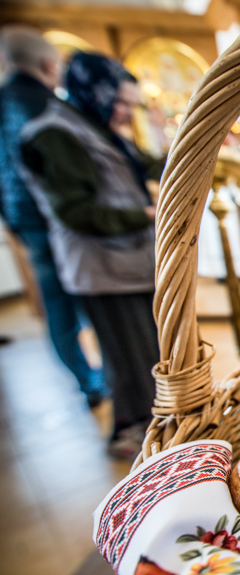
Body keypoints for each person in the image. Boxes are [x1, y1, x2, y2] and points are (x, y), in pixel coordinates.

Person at [19, 52, 163, 459]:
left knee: (149, 356)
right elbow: (74, 211)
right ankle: (131, 435)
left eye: (130, 107)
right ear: (95, 93)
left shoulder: (96, 127)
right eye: (121, 104)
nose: (124, 114)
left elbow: (148, 165)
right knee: (128, 359)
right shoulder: (56, 133)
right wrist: (145, 215)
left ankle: (156, 431)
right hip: (102, 269)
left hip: (130, 263)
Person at [0, 26, 105, 407]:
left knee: (56, 307)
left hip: (26, 223)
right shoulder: (49, 108)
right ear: (48, 65)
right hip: (68, 224)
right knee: (95, 304)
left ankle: (87, 381)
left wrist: (14, 220)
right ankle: (104, 380)